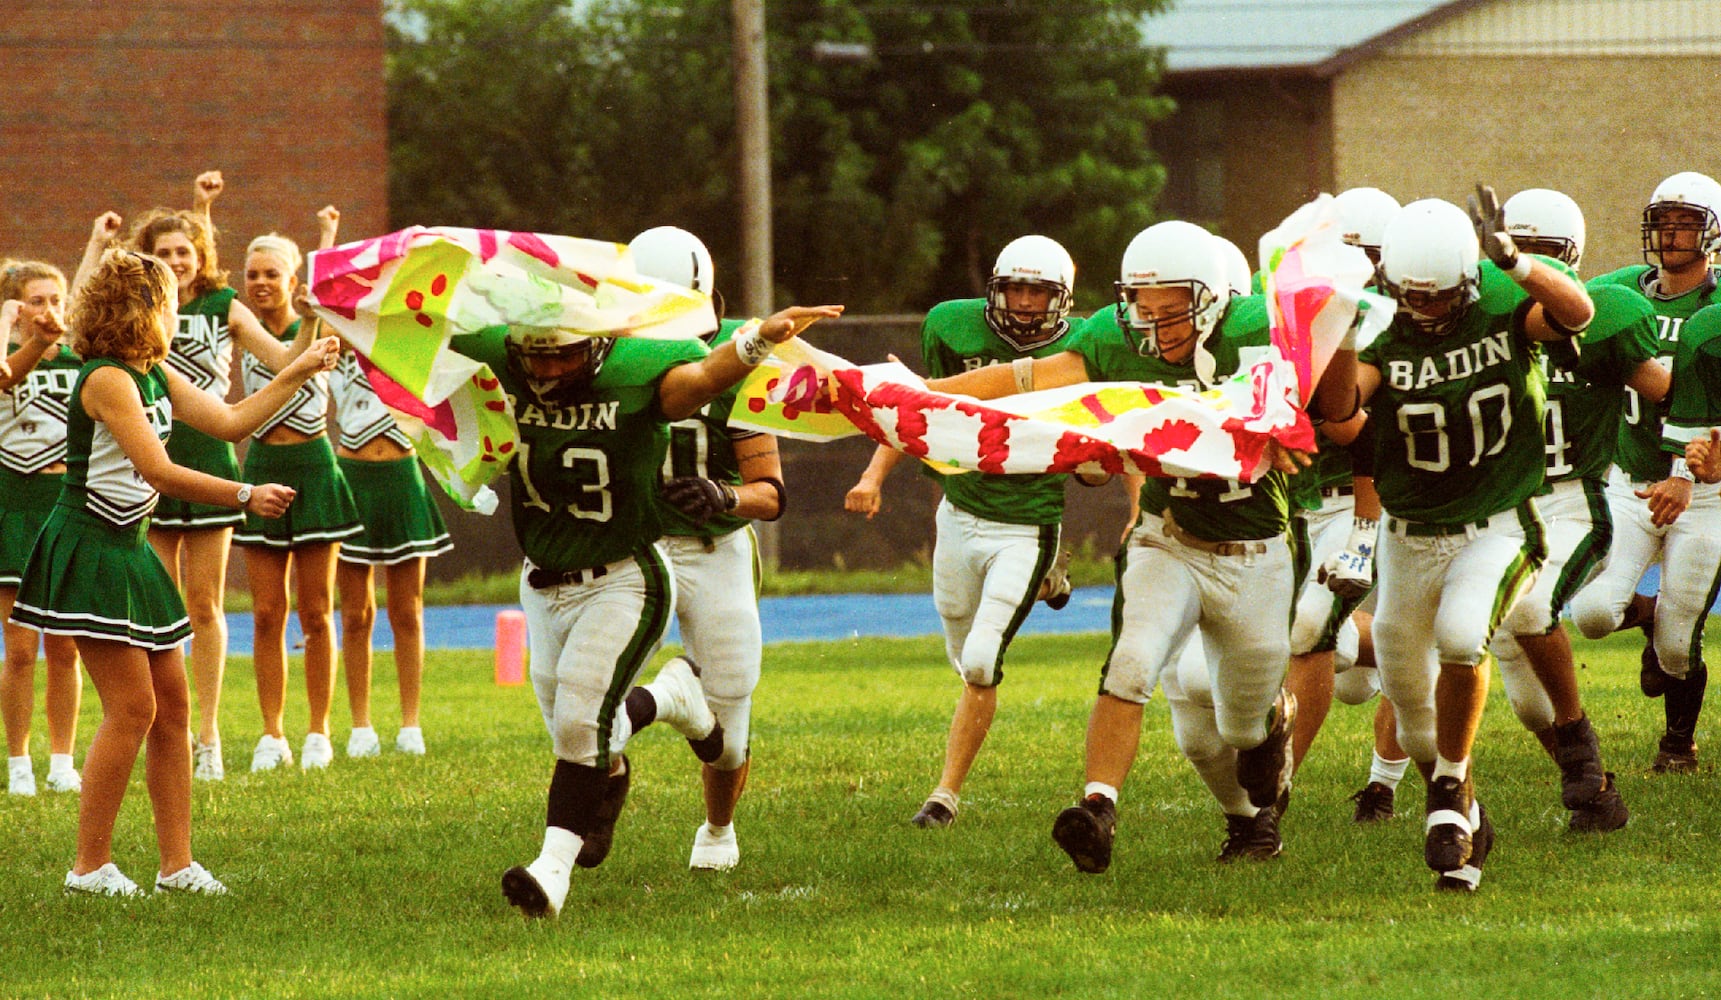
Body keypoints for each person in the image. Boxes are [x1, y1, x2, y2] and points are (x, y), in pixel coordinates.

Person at [905, 220, 1356, 870]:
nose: (1151, 326)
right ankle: (1096, 807)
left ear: (1212, 301)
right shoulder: (1113, 340)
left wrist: (1302, 404)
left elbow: (1346, 315)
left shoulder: (1256, 331)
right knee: (1130, 664)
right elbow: (1027, 378)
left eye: (1168, 311)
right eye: (1140, 308)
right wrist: (920, 393)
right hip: (1164, 536)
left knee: (1236, 728)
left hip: (1255, 550)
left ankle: (1268, 742)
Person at [441, 264, 840, 917]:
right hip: (563, 564)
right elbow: (427, 345)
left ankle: (694, 828)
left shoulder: (661, 370)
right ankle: (619, 762)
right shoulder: (520, 355)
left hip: (679, 552)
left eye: (562, 355)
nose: (545, 372)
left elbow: (722, 407)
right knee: (576, 730)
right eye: (535, 358)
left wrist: (756, 350)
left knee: (707, 724)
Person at [10, 247, 339, 896]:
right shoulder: (107, 379)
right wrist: (243, 496)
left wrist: (297, 370)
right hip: (90, 547)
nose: (176, 312)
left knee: (175, 705)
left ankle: (176, 865)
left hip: (129, 547)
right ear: (139, 309)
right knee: (131, 709)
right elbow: (159, 471)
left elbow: (228, 419)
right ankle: (88, 866)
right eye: (167, 303)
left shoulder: (154, 370)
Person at [1343, 187, 1594, 892]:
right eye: (1409, 295)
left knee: (1462, 636)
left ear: (1464, 280)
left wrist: (1515, 262)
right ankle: (1469, 821)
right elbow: (1338, 414)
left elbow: (1576, 311)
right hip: (1407, 535)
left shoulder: (1495, 301)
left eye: (1436, 296)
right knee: (1411, 713)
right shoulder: (1379, 326)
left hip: (1498, 520)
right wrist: (1331, 333)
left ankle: (1448, 791)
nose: (1421, 309)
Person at [844, 234, 1080, 830]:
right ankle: (1050, 581)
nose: (1025, 302)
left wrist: (1129, 501)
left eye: (1038, 290)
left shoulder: (1086, 346)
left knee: (979, 662)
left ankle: (944, 797)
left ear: (1064, 299)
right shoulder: (951, 327)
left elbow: (1123, 425)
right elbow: (918, 411)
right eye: (1016, 288)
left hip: (1027, 523)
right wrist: (873, 475)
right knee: (960, 654)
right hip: (958, 512)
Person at [98, 172, 315, 781]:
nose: (174, 260)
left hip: (212, 458)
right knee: (154, 603)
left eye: (184, 251)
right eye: (163, 253)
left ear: (201, 258)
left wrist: (312, 324)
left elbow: (281, 359)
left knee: (205, 603)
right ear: (149, 259)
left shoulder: (223, 305)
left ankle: (208, 733)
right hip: (151, 467)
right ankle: (152, 723)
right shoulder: (138, 319)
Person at [1485, 188, 1664, 832]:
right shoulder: (1491, 329)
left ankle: (1581, 750)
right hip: (1503, 508)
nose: (1526, 269)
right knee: (1525, 698)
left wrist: (1694, 455)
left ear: (1569, 257)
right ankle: (1592, 790)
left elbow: (1670, 395)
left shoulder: (1602, 319)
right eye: (1516, 253)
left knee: (1533, 609)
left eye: (1540, 254)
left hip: (1574, 502)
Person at [628, 226, 780, 870]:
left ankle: (718, 831)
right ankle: (583, 818)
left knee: (732, 712)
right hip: (629, 550)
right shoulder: (603, 364)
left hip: (713, 548)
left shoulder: (734, 367)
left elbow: (770, 492)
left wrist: (723, 496)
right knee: (590, 699)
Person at [1570, 171, 1721, 773]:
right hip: (1628, 482)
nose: (1673, 233)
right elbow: (1563, 303)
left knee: (1679, 646)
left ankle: (1678, 745)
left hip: (1706, 493)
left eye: (1687, 221)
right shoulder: (1620, 290)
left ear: (1711, 231)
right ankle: (1647, 613)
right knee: (1591, 613)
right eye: (1664, 221)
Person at [234, 213, 362, 773]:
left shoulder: (323, 326)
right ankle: (270, 734)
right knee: (266, 612)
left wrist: (325, 244)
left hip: (313, 463)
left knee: (315, 612)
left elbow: (313, 330)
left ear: (292, 280)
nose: (261, 282)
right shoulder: (239, 325)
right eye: (253, 273)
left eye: (272, 274)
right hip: (261, 460)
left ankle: (317, 732)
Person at [330, 206, 452, 760]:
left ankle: (410, 723)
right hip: (350, 473)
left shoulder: (416, 331)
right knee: (355, 612)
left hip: (402, 472)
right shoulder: (336, 327)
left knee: (409, 609)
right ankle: (359, 725)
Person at [0, 262, 84, 795]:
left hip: (63, 501)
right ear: (14, 307)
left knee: (67, 646)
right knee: (21, 648)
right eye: (35, 300)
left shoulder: (81, 361)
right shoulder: (6, 356)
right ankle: (19, 765)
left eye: (56, 299)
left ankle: (61, 760)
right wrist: (26, 335)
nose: (48, 309)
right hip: (12, 501)